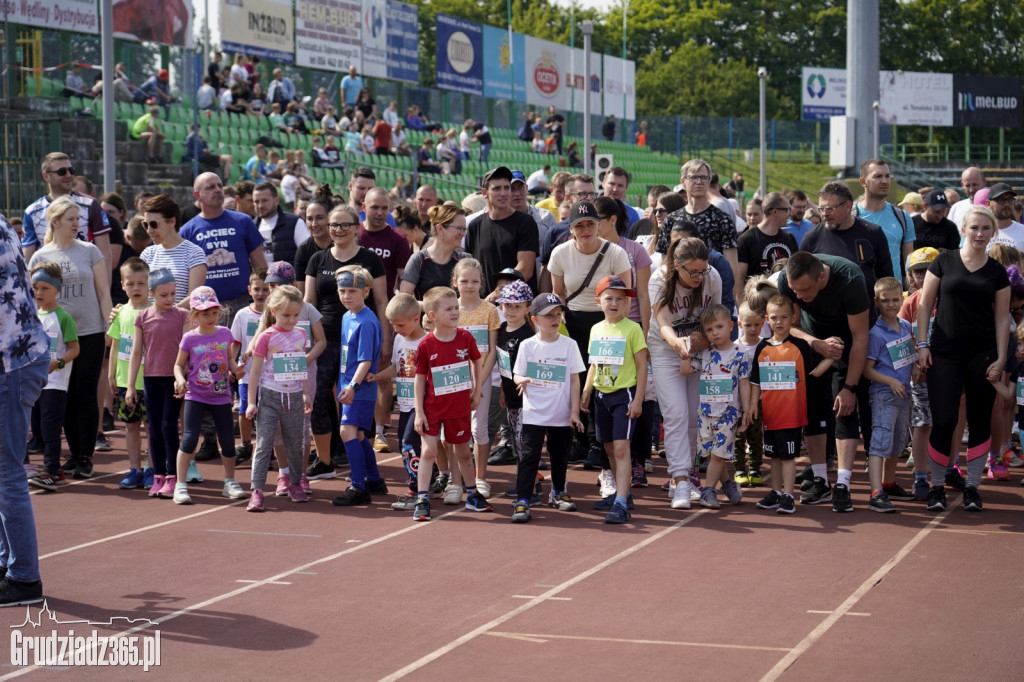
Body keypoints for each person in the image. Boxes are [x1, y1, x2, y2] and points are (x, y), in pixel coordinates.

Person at [916, 206, 1010, 513]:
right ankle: (937, 487)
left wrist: (999, 358)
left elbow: (1000, 319)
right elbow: (925, 303)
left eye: (985, 228)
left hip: (982, 354)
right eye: (974, 228)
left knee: (980, 420)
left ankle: (972, 487)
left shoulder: (997, 272)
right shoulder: (943, 261)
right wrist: (922, 344)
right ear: (963, 229)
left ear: (992, 231)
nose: (980, 234)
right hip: (943, 353)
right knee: (944, 420)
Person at [776, 252, 871, 513]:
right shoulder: (788, 279)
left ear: (821, 277)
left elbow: (860, 336)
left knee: (845, 408)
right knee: (814, 412)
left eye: (805, 290)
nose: (798, 296)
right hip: (812, 342)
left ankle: (843, 483)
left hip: (847, 345)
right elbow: (786, 325)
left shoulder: (851, 279)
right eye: (794, 290)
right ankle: (820, 479)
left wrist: (850, 387)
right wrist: (813, 342)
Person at [28, 197, 112, 479]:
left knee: (85, 393)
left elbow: (103, 292)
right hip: (56, 338)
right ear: (55, 222)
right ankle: (72, 455)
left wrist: (109, 326)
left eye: (79, 219)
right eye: (71, 219)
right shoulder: (40, 256)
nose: (77, 224)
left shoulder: (89, 251)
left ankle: (85, 456)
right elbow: (34, 297)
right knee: (61, 395)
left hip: (89, 332)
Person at [303, 204, 387, 477]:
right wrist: (305, 339)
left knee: (353, 399)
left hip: (357, 341)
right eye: (333, 225)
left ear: (356, 227)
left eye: (344, 225)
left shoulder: (371, 260)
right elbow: (308, 302)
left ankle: (357, 460)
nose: (338, 230)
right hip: (323, 339)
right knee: (318, 399)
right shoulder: (317, 259)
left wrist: (385, 341)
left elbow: (381, 300)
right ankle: (325, 460)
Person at [648, 237, 722, 509]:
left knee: (693, 415)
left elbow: (715, 316)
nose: (698, 276)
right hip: (666, 348)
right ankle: (679, 481)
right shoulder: (659, 279)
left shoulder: (711, 277)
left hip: (698, 346)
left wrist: (703, 338)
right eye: (693, 271)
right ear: (677, 265)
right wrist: (677, 343)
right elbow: (663, 322)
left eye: (702, 270)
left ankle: (687, 475)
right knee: (675, 413)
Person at [0, 212, 50, 606]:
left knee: (7, 473)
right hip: (20, 357)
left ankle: (24, 579)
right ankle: (9, 565)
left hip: (11, 363)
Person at [746, 295, 831, 514]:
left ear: (793, 317)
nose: (780, 321)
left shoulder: (800, 346)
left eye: (784, 317)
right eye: (774, 317)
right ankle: (775, 492)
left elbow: (814, 373)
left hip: (792, 414)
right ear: (767, 319)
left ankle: (788, 496)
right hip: (771, 415)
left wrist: (832, 357)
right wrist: (753, 405)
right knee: (773, 456)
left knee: (788, 457)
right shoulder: (762, 347)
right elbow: (755, 380)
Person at [508, 293, 586, 523]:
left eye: (558, 314)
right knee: (530, 456)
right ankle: (523, 498)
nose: (555, 319)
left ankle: (559, 491)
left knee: (560, 455)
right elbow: (516, 374)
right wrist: (520, 380)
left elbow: (574, 379)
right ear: (535, 320)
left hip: (561, 413)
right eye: (548, 315)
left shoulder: (569, 345)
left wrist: (574, 411)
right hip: (534, 412)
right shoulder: (527, 346)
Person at [411, 286, 487, 521]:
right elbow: (419, 378)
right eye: (449, 309)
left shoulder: (465, 337)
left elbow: (476, 360)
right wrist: (419, 412)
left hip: (459, 407)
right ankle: (422, 499)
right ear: (432, 315)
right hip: (432, 408)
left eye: (456, 308)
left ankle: (472, 494)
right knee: (429, 451)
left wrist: (477, 389)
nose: (455, 312)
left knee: (463, 453)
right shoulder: (426, 345)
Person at [169, 286, 247, 505]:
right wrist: (180, 379)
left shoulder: (225, 334)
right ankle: (180, 485)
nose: (211, 317)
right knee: (190, 438)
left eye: (214, 312)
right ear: (194, 314)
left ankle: (230, 482)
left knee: (228, 441)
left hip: (222, 397)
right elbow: (178, 365)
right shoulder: (189, 338)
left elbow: (229, 359)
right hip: (196, 395)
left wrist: (236, 370)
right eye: (205, 313)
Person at [581, 275, 648, 524]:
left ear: (627, 304)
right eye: (609, 298)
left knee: (621, 448)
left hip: (624, 395)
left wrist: (638, 399)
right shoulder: (596, 329)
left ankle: (620, 503)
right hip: (601, 397)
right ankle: (623, 493)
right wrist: (587, 391)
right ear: (598, 301)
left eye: (621, 299)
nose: (615, 303)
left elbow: (642, 367)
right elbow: (594, 365)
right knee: (608, 447)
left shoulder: (633, 329)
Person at [244, 285, 313, 511]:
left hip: (293, 397)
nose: (292, 320)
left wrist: (304, 393)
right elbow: (255, 371)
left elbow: (300, 366)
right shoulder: (266, 336)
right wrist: (252, 401)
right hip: (270, 396)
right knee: (264, 443)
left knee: (296, 443)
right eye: (286, 315)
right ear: (273, 311)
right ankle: (257, 490)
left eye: (296, 315)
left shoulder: (301, 334)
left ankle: (294, 483)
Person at [126, 268, 188, 498]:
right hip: (151, 378)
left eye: (173, 294)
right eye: (164, 295)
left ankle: (173, 476)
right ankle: (158, 474)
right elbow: (135, 352)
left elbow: (186, 349)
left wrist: (184, 377)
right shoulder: (142, 317)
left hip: (174, 379)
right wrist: (131, 385)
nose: (170, 299)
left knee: (168, 426)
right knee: (153, 428)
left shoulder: (182, 315)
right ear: (151, 294)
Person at [682, 304, 750, 509]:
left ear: (731, 326)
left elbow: (745, 383)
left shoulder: (741, 354)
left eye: (719, 327)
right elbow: (686, 370)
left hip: (728, 415)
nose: (714, 333)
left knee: (719, 455)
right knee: (713, 455)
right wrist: (685, 350)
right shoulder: (705, 353)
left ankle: (708, 490)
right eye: (709, 330)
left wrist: (746, 410)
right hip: (705, 413)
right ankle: (728, 484)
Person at [862, 276, 918, 512]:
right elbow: (867, 370)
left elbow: (910, 356)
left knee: (897, 443)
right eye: (886, 301)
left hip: (904, 394)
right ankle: (875, 493)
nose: (892, 305)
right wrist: (890, 380)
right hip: (884, 394)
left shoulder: (905, 326)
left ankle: (889, 483)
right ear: (877, 302)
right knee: (880, 442)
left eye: (896, 299)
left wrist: (916, 367)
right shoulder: (876, 334)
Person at [181, 172, 268, 321]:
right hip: (205, 311)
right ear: (197, 195)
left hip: (243, 305)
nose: (217, 190)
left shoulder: (243, 221)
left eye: (220, 186)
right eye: (210, 187)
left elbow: (261, 268)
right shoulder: (187, 231)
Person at [26, 263, 80, 491]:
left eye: (45, 288)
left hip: (54, 384)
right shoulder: (29, 315)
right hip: (31, 383)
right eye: (35, 287)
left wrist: (57, 362)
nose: (39, 293)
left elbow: (74, 349)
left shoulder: (63, 317)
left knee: (50, 429)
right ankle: (32, 467)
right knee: (34, 429)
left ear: (57, 289)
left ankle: (52, 470)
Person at [449, 258, 500, 498]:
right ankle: (455, 480)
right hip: (453, 379)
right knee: (452, 428)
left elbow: (491, 350)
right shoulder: (450, 309)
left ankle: (480, 479)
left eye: (475, 281)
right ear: (455, 282)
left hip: (482, 377)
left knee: (479, 428)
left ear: (481, 283)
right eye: (464, 280)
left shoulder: (490, 311)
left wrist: (479, 381)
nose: (470, 285)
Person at [375, 294, 429, 511]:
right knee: (405, 444)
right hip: (404, 404)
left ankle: (415, 489)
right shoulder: (399, 339)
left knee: (409, 443)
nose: (396, 329)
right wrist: (377, 376)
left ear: (416, 319)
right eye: (392, 325)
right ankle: (429, 479)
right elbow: (397, 367)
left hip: (422, 404)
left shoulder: (427, 341)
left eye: (400, 325)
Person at [662, 159, 739, 303]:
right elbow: (665, 262)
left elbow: (732, 264)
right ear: (683, 181)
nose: (699, 181)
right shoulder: (671, 219)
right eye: (693, 177)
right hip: (679, 295)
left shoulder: (722, 219)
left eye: (703, 177)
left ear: (709, 181)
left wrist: (734, 298)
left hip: (714, 294)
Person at [898, 247, 942, 500]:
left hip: (947, 374)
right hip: (920, 376)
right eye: (916, 272)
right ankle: (921, 476)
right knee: (922, 424)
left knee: (946, 423)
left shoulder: (947, 299)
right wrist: (913, 363)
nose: (922, 277)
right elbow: (902, 340)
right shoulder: (909, 304)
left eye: (928, 270)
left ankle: (945, 469)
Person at [803, 180, 893, 300]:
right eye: (821, 209)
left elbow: (886, 279)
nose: (825, 214)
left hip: (866, 313)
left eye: (830, 208)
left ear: (848, 205)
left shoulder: (873, 233)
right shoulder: (812, 238)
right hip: (826, 316)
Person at [105, 258, 151, 490]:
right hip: (125, 381)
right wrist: (112, 376)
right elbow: (114, 344)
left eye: (141, 283)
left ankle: (153, 469)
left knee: (150, 427)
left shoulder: (155, 311)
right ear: (122, 284)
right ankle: (135, 470)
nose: (136, 288)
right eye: (130, 283)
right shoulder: (121, 312)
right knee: (131, 427)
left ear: (149, 284)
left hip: (150, 381)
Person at [23, 152, 111, 266]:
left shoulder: (90, 205)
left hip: (84, 277)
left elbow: (105, 253)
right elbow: (27, 258)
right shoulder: (32, 212)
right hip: (49, 279)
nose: (69, 175)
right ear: (45, 176)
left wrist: (105, 284)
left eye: (71, 170)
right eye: (62, 172)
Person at [465, 167, 539, 290]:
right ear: (484, 193)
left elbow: (525, 270)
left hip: (516, 305)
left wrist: (498, 292)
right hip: (485, 304)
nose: (503, 193)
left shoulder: (526, 223)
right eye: (497, 189)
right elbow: (470, 266)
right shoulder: (475, 225)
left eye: (506, 188)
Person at [229, 268, 270, 465]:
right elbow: (235, 342)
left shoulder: (276, 315)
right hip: (247, 373)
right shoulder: (242, 315)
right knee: (245, 410)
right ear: (249, 290)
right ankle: (245, 444)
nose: (261, 293)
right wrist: (232, 365)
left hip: (270, 375)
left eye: (265, 289)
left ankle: (267, 447)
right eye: (257, 289)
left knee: (268, 413)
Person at [138, 195, 207, 306]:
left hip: (181, 321)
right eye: (145, 225)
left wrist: (166, 316)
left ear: (171, 221)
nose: (149, 230)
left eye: (154, 224)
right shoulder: (147, 253)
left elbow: (194, 298)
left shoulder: (194, 253)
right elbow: (139, 292)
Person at [855, 159, 916, 282]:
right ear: (863, 182)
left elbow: (909, 266)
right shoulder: (851, 216)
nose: (884, 181)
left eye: (887, 176)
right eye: (878, 176)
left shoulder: (903, 217)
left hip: (892, 296)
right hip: (860, 294)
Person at [400, 202, 471, 299]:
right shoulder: (419, 259)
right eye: (459, 228)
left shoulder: (465, 259)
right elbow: (403, 299)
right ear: (440, 229)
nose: (463, 234)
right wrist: (434, 307)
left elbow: (474, 299)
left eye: (464, 229)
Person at [733, 301, 765, 487]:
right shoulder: (735, 347)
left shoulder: (766, 345)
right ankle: (739, 468)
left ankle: (755, 468)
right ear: (739, 325)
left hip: (759, 400)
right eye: (748, 325)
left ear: (763, 323)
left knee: (755, 434)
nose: (753, 329)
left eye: (757, 324)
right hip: (737, 401)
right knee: (739, 434)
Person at [735, 192, 799, 284]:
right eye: (788, 210)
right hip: (758, 297)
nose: (790, 214)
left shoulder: (789, 238)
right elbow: (739, 280)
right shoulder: (746, 240)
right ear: (775, 211)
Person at [253, 182, 310, 267]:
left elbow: (308, 256)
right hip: (262, 279)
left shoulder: (294, 222)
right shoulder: (251, 226)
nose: (260, 205)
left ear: (276, 201)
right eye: (256, 202)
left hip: (290, 279)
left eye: (264, 200)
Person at [986, 182, 1024, 252]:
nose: (1006, 204)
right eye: (1001, 200)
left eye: (1010, 200)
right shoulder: (980, 233)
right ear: (988, 204)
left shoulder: (1022, 231)